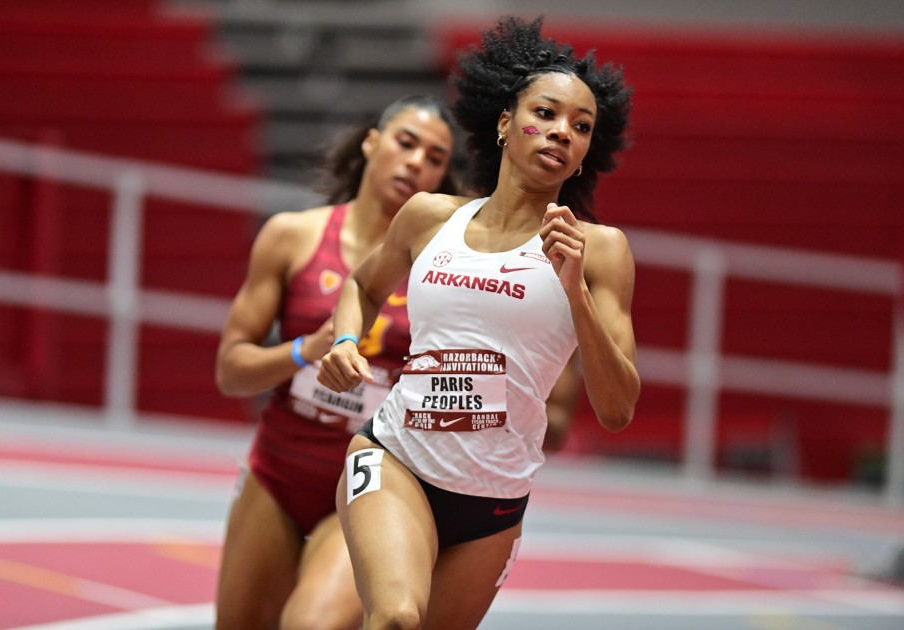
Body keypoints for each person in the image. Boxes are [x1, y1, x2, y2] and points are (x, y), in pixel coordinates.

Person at [317, 16, 639, 629]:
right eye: (544, 113)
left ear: (583, 157)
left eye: (580, 127)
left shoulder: (600, 250)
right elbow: (361, 285)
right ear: (503, 124)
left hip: (493, 504)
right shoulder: (429, 217)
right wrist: (346, 341)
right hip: (396, 458)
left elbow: (618, 408)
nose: (560, 133)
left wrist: (576, 294)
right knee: (395, 619)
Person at [214, 94, 459, 630]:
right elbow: (230, 372)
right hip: (278, 473)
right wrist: (306, 348)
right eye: (406, 142)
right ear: (372, 141)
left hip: (373, 478)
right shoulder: (292, 236)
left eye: (435, 157)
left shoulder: (446, 269)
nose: (417, 162)